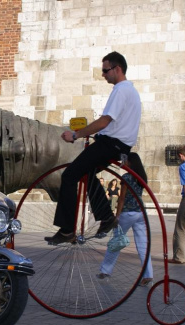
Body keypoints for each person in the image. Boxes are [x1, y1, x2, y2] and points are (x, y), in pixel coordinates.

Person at [46, 51, 141, 244]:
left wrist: (76, 134)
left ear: (118, 69)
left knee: (70, 175)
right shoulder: (131, 91)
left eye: (105, 70)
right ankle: (106, 217)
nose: (103, 75)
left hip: (109, 143)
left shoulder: (121, 90)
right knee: (86, 174)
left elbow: (105, 121)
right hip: (120, 146)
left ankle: (67, 229)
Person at [98, 153, 153, 287]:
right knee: (143, 244)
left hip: (128, 212)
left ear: (129, 162)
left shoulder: (127, 177)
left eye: (125, 160)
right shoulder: (141, 177)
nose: (123, 162)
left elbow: (121, 198)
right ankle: (148, 274)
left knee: (116, 241)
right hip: (140, 213)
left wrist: (117, 215)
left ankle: (105, 271)